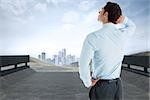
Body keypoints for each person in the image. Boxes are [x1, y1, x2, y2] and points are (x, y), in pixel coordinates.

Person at [79, 1, 136, 100]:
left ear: (106, 14)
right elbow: (132, 26)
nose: (99, 12)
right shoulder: (122, 35)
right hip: (117, 86)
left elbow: (83, 63)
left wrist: (88, 82)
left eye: (101, 10)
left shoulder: (93, 37)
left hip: (102, 87)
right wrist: (123, 19)